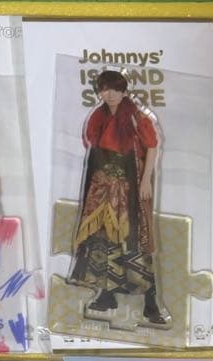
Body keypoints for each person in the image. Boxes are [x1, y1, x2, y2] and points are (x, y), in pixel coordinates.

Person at [68, 70, 167, 325]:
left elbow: (152, 146)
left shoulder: (136, 117)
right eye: (104, 89)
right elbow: (93, 147)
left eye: (115, 89)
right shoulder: (98, 117)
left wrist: (145, 180)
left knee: (135, 239)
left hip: (129, 187)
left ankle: (151, 303)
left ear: (124, 91)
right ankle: (106, 295)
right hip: (102, 187)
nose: (109, 94)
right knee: (101, 239)